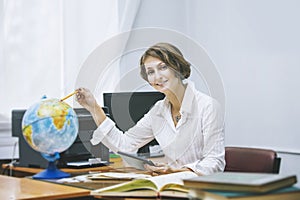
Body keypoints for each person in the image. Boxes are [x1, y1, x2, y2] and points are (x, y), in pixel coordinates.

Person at [76, 42, 225, 175]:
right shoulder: (158, 111)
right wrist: (94, 107)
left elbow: (215, 162)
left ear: (177, 68)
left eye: (163, 67)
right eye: (150, 72)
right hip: (171, 187)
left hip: (201, 189)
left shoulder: (208, 106)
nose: (157, 76)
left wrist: (179, 171)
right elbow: (125, 145)